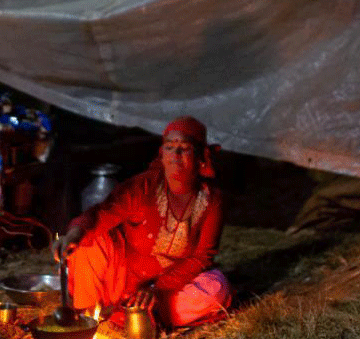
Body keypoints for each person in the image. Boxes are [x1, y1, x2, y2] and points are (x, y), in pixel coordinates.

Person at [51, 116, 231, 329]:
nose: (176, 155)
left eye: (185, 148)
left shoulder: (212, 200)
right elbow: (101, 213)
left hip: (169, 288)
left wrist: (157, 289)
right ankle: (90, 319)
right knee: (87, 242)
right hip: (120, 280)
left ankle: (127, 317)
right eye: (169, 147)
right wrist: (74, 234)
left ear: (201, 156)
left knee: (217, 288)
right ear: (161, 154)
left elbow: (202, 256)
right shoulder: (143, 187)